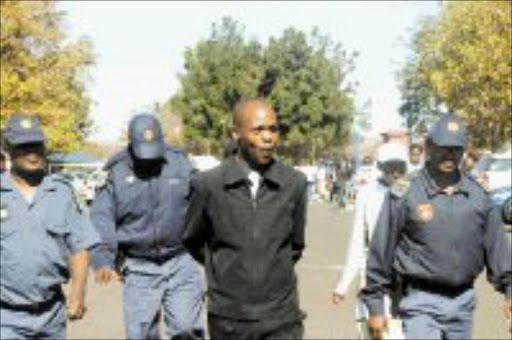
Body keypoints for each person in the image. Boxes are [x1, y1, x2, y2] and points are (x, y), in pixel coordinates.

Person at [361, 115, 512, 340]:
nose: (449, 155)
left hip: (463, 304)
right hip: (420, 302)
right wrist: (375, 306)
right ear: (429, 147)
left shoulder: (478, 196)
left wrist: (510, 290)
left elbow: (497, 249)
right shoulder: (405, 193)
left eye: (456, 149)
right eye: (443, 148)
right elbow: (381, 250)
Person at [183, 98, 308, 340]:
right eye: (258, 130)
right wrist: (229, 270)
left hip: (281, 317)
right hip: (230, 318)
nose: (268, 137)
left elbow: (295, 246)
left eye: (273, 129)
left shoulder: (294, 183)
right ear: (236, 133)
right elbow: (193, 240)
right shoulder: (208, 185)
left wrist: (267, 269)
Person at [90, 114, 204, 340]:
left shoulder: (180, 163)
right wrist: (104, 257)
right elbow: (102, 217)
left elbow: (204, 204)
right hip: (139, 265)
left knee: (187, 330)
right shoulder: (116, 171)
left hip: (181, 260)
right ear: (131, 144)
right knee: (141, 335)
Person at [0, 115, 100, 339]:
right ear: (8, 148)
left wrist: (77, 295)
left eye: (36, 145)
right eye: (23, 146)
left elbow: (79, 247)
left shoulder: (61, 192)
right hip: (5, 318)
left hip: (52, 316)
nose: (32, 152)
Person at [332, 142, 408, 339]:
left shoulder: (413, 193)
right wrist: (344, 284)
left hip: (407, 279)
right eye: (391, 167)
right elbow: (357, 242)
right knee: (376, 332)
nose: (396, 173)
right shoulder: (367, 195)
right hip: (375, 278)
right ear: (380, 167)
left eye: (400, 167)